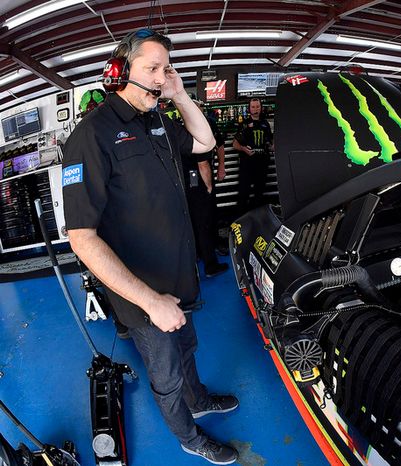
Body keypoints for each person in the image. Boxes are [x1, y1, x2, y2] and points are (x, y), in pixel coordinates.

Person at [61, 28, 239, 465]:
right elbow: (81, 237)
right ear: (119, 71)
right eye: (153, 69)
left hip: (180, 275)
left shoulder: (157, 118)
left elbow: (205, 143)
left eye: (167, 69)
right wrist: (150, 301)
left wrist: (179, 95)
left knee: (188, 349)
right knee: (167, 374)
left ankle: (198, 401)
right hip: (143, 294)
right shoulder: (92, 136)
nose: (161, 78)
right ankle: (188, 436)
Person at [181, 99, 229, 278]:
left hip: (186, 182)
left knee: (196, 221)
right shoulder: (197, 131)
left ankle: (200, 253)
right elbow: (203, 165)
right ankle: (210, 265)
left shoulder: (183, 128)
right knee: (204, 222)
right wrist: (209, 187)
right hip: (198, 181)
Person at [232, 98, 273, 214]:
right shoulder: (244, 124)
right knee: (243, 194)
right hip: (247, 165)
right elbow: (235, 144)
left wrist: (272, 147)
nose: (255, 109)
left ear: (261, 108)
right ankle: (239, 222)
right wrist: (244, 149)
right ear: (249, 108)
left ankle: (256, 222)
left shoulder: (265, 124)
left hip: (262, 165)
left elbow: (270, 143)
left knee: (259, 195)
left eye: (257, 106)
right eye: (253, 107)